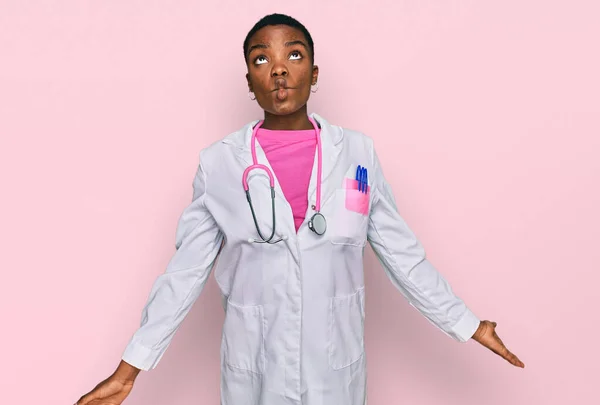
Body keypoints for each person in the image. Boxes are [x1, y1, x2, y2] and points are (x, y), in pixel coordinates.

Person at [75, 13, 524, 405]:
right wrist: (129, 368)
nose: (277, 71)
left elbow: (403, 254)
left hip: (335, 368)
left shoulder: (357, 155)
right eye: (259, 59)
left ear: (313, 73)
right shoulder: (220, 164)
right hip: (255, 368)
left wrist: (466, 323)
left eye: (293, 56)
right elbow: (183, 274)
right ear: (248, 82)